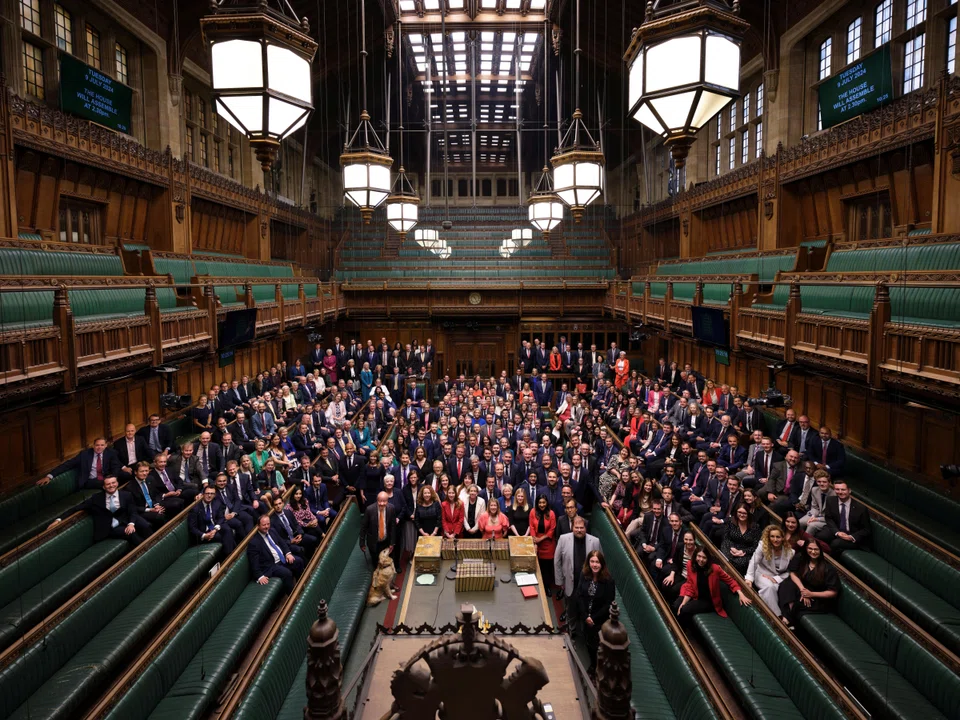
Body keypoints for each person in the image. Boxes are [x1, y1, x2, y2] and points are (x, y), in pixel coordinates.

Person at [47, 475, 151, 546]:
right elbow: (77, 507)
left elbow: (132, 510)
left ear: (117, 483)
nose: (111, 486)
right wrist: (59, 519)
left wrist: (131, 523)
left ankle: (152, 543)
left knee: (145, 525)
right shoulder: (96, 498)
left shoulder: (126, 495)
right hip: (110, 527)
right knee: (131, 533)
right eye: (108, 484)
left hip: (126, 519)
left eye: (113, 483)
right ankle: (146, 550)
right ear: (104, 487)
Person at [674, 547, 751, 625]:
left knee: (684, 609)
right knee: (676, 605)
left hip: (708, 601)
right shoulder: (690, 565)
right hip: (695, 594)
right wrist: (683, 603)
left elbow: (730, 580)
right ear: (695, 556)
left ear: (708, 559)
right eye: (699, 556)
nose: (701, 559)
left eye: (704, 557)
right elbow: (690, 586)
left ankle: (681, 631)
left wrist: (740, 593)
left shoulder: (715, 569)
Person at [554, 516, 601, 634]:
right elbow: (557, 561)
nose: (579, 530)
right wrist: (560, 582)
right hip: (570, 583)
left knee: (586, 610)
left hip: (588, 585)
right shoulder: (563, 539)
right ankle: (572, 631)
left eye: (581, 528)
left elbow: (601, 562)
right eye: (576, 527)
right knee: (571, 610)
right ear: (572, 528)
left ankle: (585, 633)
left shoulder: (595, 541)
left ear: (585, 528)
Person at [777, 540, 839, 628]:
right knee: (786, 584)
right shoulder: (801, 557)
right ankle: (787, 619)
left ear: (820, 551)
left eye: (816, 549)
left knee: (798, 603)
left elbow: (833, 592)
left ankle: (787, 621)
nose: (813, 552)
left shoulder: (828, 568)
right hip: (804, 590)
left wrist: (811, 594)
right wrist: (803, 590)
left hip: (818, 598)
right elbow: (792, 573)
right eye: (810, 548)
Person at [576, 550, 615, 677]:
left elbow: (608, 603)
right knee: (588, 642)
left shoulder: (608, 580)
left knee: (599, 646)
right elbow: (580, 595)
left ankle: (598, 667)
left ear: (602, 564)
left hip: (599, 620)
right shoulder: (584, 574)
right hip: (585, 617)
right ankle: (593, 665)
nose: (594, 565)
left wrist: (593, 617)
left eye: (597, 562)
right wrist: (585, 616)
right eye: (592, 561)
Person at [745, 524, 795, 618]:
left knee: (776, 589)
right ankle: (778, 617)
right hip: (762, 574)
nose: (775, 539)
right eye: (772, 536)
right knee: (769, 587)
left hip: (778, 578)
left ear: (783, 538)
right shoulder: (763, 546)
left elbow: (790, 571)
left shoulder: (790, 552)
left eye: (778, 537)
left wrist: (777, 578)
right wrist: (749, 578)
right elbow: (754, 562)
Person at [248, 514, 304, 594]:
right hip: (271, 566)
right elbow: (254, 563)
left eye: (268, 524)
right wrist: (260, 576)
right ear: (258, 526)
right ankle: (293, 597)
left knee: (299, 561)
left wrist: (288, 553)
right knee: (287, 573)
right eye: (264, 525)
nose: (267, 527)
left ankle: (300, 587)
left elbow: (282, 543)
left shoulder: (272, 531)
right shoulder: (254, 543)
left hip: (282, 559)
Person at [39, 437, 121, 489]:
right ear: (93, 445)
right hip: (89, 481)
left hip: (105, 478)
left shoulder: (110, 452)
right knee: (106, 483)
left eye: (102, 445)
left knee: (123, 475)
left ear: (106, 445)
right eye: (97, 445)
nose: (99, 447)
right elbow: (67, 464)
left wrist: (114, 478)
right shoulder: (84, 455)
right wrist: (49, 476)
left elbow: (115, 466)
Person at [814, 480, 870, 556]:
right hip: (838, 530)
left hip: (852, 535)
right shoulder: (831, 500)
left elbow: (866, 529)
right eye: (837, 489)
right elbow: (829, 518)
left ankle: (829, 563)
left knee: (835, 543)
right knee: (820, 536)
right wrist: (837, 532)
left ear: (849, 490)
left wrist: (851, 537)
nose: (840, 492)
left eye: (843, 489)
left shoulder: (861, 508)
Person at [189, 484, 237, 553]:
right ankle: (230, 558)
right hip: (204, 532)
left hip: (214, 528)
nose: (209, 495)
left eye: (212, 494)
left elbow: (221, 518)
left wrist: (215, 529)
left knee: (228, 530)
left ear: (214, 495)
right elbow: (192, 528)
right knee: (226, 537)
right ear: (203, 494)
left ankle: (229, 557)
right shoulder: (195, 508)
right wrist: (204, 535)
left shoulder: (216, 503)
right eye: (207, 493)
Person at [720, 503, 762, 576]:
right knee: (726, 558)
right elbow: (726, 538)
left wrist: (743, 551)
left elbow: (755, 546)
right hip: (730, 546)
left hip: (745, 551)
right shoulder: (731, 522)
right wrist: (732, 548)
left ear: (748, 514)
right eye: (739, 512)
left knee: (740, 563)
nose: (741, 515)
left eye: (744, 513)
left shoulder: (755, 527)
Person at [658, 528, 697, 604]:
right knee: (666, 584)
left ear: (694, 540)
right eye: (686, 539)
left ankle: (671, 607)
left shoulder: (698, 551)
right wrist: (672, 575)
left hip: (690, 579)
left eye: (690, 540)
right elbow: (675, 562)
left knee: (674, 590)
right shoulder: (680, 546)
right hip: (681, 573)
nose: (688, 542)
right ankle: (663, 604)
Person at [530, 495, 558, 597]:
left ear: (546, 503)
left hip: (548, 543)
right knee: (538, 566)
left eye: (543, 503)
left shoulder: (551, 513)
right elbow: (532, 527)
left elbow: (552, 529)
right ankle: (537, 586)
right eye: (540, 503)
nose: (542, 505)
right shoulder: (533, 512)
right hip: (536, 542)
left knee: (547, 568)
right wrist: (534, 540)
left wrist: (540, 539)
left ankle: (547, 587)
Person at [360, 491, 397, 568]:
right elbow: (363, 527)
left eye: (384, 501)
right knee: (376, 563)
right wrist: (362, 543)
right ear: (377, 500)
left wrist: (392, 543)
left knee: (386, 564)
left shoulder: (391, 508)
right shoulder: (369, 510)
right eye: (380, 501)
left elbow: (393, 527)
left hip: (386, 542)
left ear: (387, 501)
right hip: (374, 542)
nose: (382, 503)